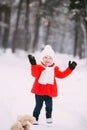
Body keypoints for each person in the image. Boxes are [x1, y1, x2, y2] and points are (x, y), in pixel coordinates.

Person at [28, 45, 77, 125]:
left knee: (49, 106)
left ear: (53, 60)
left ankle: (48, 116)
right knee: (38, 106)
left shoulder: (54, 68)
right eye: (45, 57)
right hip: (39, 91)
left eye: (50, 58)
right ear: (42, 58)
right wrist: (33, 65)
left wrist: (70, 69)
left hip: (49, 92)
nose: (47, 60)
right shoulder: (39, 67)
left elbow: (62, 75)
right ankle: (35, 118)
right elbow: (34, 74)